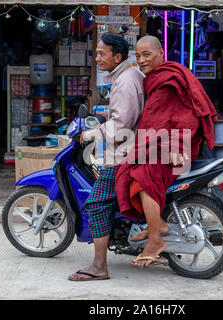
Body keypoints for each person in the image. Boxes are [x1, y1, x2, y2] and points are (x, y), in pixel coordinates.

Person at [114, 35, 218, 268]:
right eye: (138, 56)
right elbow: (157, 117)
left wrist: (176, 146)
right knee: (127, 172)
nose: (141, 60)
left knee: (142, 178)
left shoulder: (171, 78)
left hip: (173, 147)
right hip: (157, 143)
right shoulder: (156, 78)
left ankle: (155, 239)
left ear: (161, 54)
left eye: (146, 54)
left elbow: (185, 116)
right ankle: (157, 224)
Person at [68, 33, 145, 281]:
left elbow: (121, 125)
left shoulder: (124, 81)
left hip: (123, 155)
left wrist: (90, 134)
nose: (97, 58)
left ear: (118, 56)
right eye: (97, 53)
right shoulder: (127, 76)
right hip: (133, 149)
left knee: (97, 205)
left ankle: (99, 266)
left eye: (102, 54)